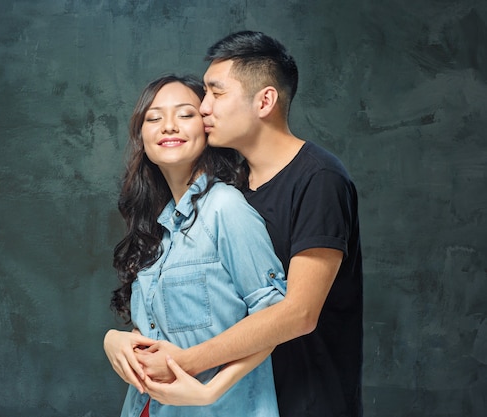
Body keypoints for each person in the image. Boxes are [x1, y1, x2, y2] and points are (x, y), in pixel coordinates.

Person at [112, 31, 364, 417]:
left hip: (307, 398)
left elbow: (296, 313)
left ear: (264, 101)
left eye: (215, 94)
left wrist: (198, 378)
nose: (204, 107)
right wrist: (116, 340)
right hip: (244, 393)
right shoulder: (233, 186)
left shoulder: (318, 179)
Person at [105, 74, 287, 416]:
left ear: (207, 127)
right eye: (154, 118)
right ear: (141, 136)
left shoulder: (226, 208)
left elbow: (275, 318)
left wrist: (208, 391)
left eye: (185, 114)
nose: (168, 126)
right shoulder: (156, 224)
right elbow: (161, 328)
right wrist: (115, 340)